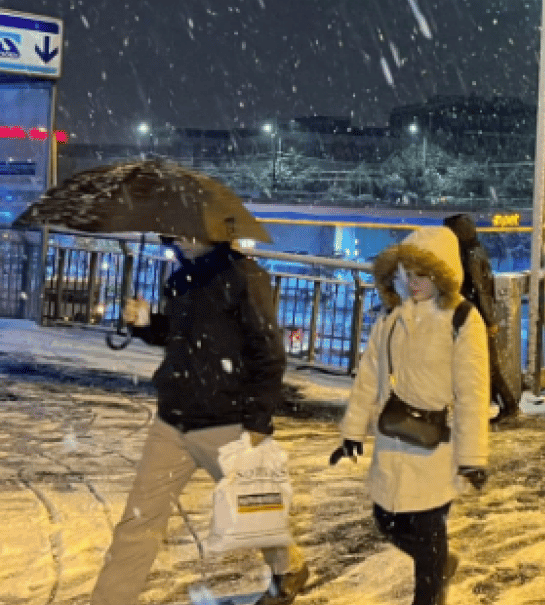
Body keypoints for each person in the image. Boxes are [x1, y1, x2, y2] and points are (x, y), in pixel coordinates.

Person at [91, 237, 308, 605]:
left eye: (190, 232)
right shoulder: (183, 279)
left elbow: (269, 354)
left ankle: (288, 565)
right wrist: (146, 323)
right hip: (172, 420)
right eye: (177, 233)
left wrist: (257, 424)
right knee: (139, 522)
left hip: (225, 421)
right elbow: (182, 338)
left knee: (252, 508)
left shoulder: (244, 277)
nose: (182, 239)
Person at [330, 227, 489, 605]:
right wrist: (352, 432)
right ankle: (438, 563)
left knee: (428, 528)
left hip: (436, 444)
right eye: (408, 273)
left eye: (424, 275)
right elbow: (368, 376)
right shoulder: (392, 317)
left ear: (443, 275)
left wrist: (472, 458)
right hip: (393, 435)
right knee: (386, 520)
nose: (415, 283)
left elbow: (473, 393)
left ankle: (430, 586)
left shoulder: (462, 319)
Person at [445, 213, 521, 425]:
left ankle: (508, 405)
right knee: (485, 363)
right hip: (475, 314)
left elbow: (480, 289)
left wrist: (488, 320)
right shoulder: (476, 250)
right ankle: (504, 405)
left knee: (488, 364)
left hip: (475, 315)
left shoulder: (469, 255)